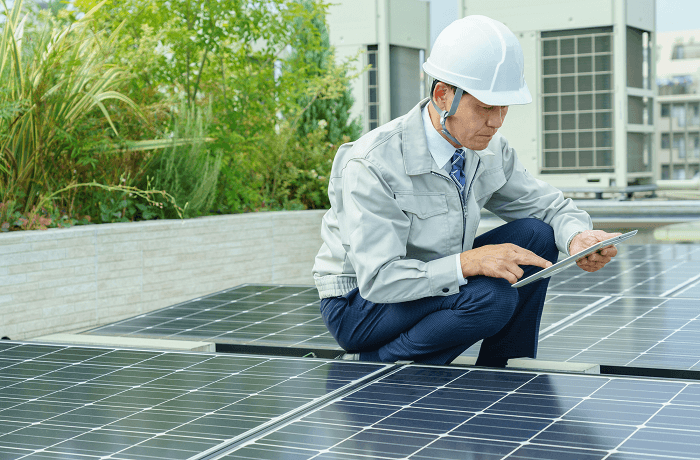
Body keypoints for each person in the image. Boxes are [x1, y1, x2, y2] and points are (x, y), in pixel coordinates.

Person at [311, 15, 619, 367]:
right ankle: (379, 365)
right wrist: (469, 262)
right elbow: (380, 279)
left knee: (536, 234)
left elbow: (547, 208)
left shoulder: (488, 150)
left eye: (504, 107)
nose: (497, 121)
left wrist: (577, 237)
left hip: (432, 283)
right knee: (493, 298)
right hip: (361, 306)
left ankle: (504, 369)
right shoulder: (373, 163)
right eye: (486, 107)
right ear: (443, 95)